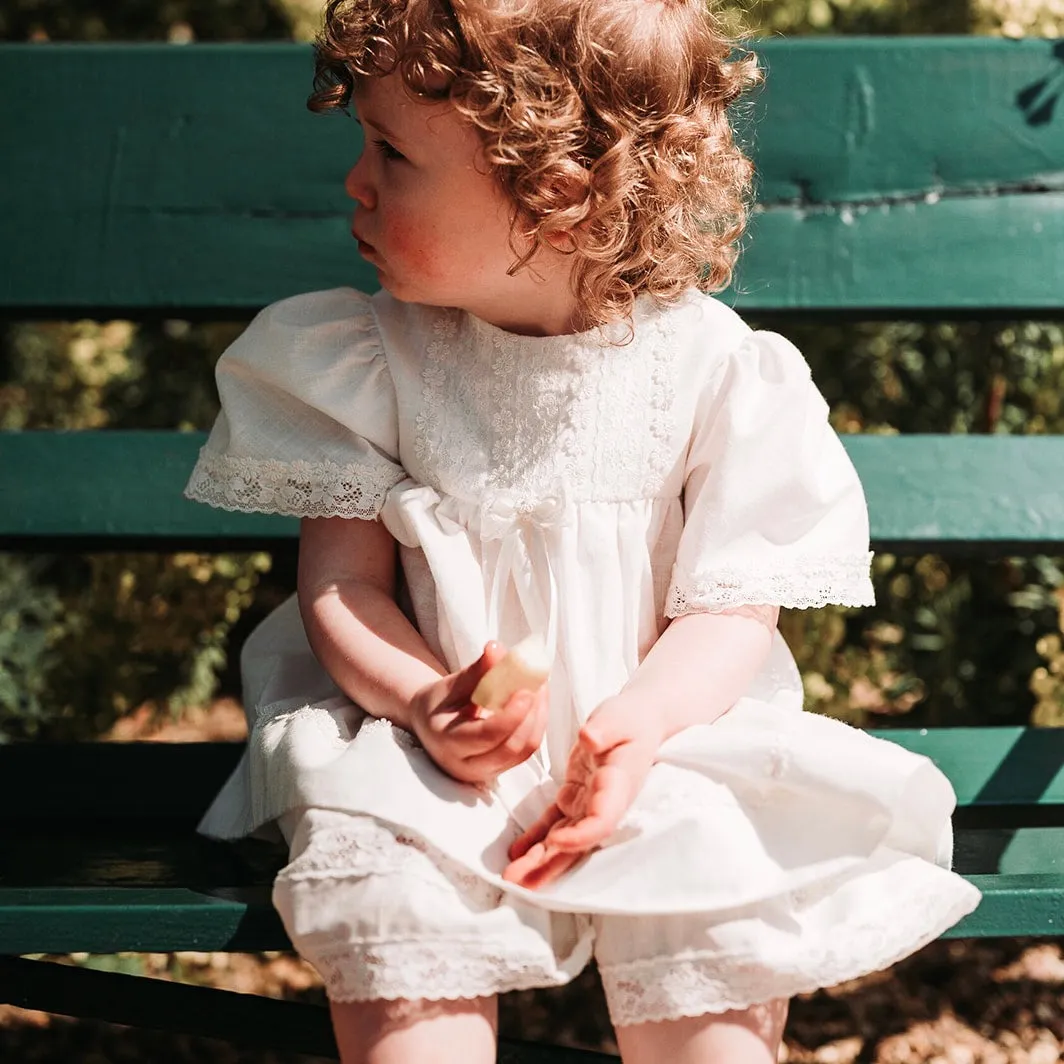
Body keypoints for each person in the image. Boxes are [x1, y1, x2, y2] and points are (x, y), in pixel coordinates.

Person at [184, 1, 981, 1061]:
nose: (355, 182)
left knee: (707, 904)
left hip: (657, 740)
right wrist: (423, 696)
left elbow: (727, 609)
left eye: (391, 153)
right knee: (399, 914)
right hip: (432, 748)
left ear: (553, 193)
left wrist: (639, 723)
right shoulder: (363, 358)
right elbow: (343, 589)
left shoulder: (715, 373)